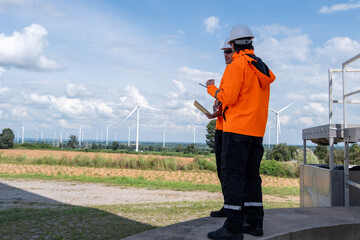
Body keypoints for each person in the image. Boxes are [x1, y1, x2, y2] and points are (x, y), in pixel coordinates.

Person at [206, 24, 276, 240]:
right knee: (251, 177)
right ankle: (254, 222)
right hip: (256, 131)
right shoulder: (260, 66)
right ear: (251, 43)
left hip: (236, 131)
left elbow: (228, 97)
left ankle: (233, 227)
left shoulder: (237, 65)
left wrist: (211, 89)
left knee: (233, 177)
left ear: (233, 44)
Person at [206, 37, 233, 218]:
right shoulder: (228, 71)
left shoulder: (235, 70)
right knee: (221, 170)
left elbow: (228, 96)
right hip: (221, 125)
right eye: (224, 51)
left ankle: (232, 207)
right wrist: (217, 107)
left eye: (228, 51)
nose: (225, 54)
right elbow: (224, 98)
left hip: (230, 128)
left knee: (228, 169)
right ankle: (228, 205)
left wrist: (211, 89)